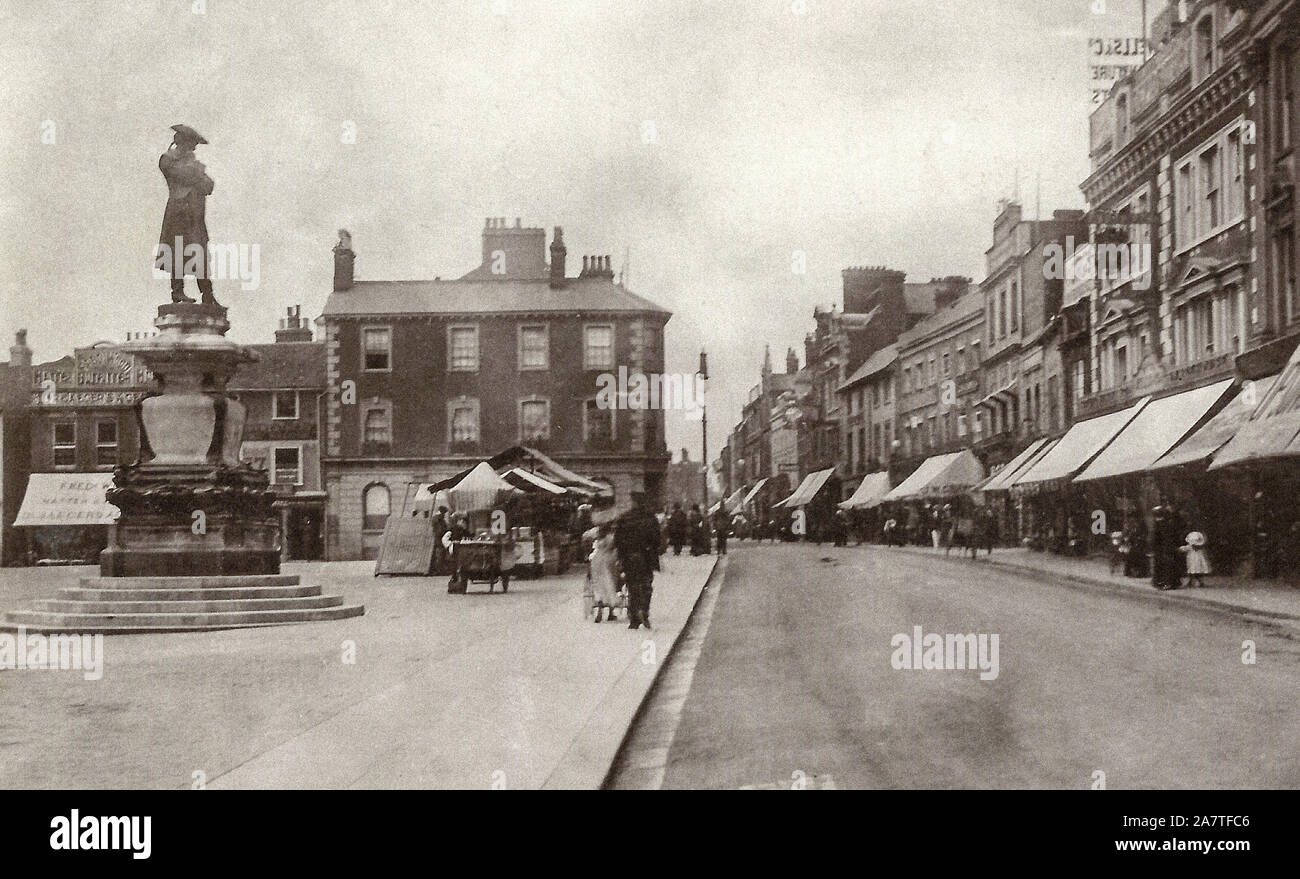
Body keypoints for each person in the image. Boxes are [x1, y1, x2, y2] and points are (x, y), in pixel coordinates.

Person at [157, 125, 217, 305]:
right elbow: (182, 175)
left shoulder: (194, 165)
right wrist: (196, 173)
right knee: (177, 252)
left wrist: (195, 173)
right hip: (178, 212)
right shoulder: (167, 160)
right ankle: (178, 292)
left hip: (195, 215)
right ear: (181, 142)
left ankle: (207, 294)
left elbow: (209, 186)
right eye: (191, 145)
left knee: (201, 254)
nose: (193, 150)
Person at [615, 493, 661, 630]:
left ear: (633, 502)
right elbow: (657, 539)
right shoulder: (650, 518)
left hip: (629, 558)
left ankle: (634, 618)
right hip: (646, 557)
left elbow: (618, 540)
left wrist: (621, 557)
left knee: (632, 586)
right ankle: (644, 611)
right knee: (646, 585)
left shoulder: (624, 518)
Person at [588, 524, 622, 622]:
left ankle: (599, 608)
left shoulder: (596, 537)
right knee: (610, 584)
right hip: (609, 561)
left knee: (598, 586)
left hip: (596, 561)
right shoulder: (611, 537)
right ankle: (611, 612)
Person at [1150, 505, 1183, 590]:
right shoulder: (1166, 523)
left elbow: (1160, 538)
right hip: (1165, 548)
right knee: (1167, 565)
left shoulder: (1161, 524)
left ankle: (1166, 583)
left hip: (1163, 548)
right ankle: (1170, 582)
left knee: (1165, 565)